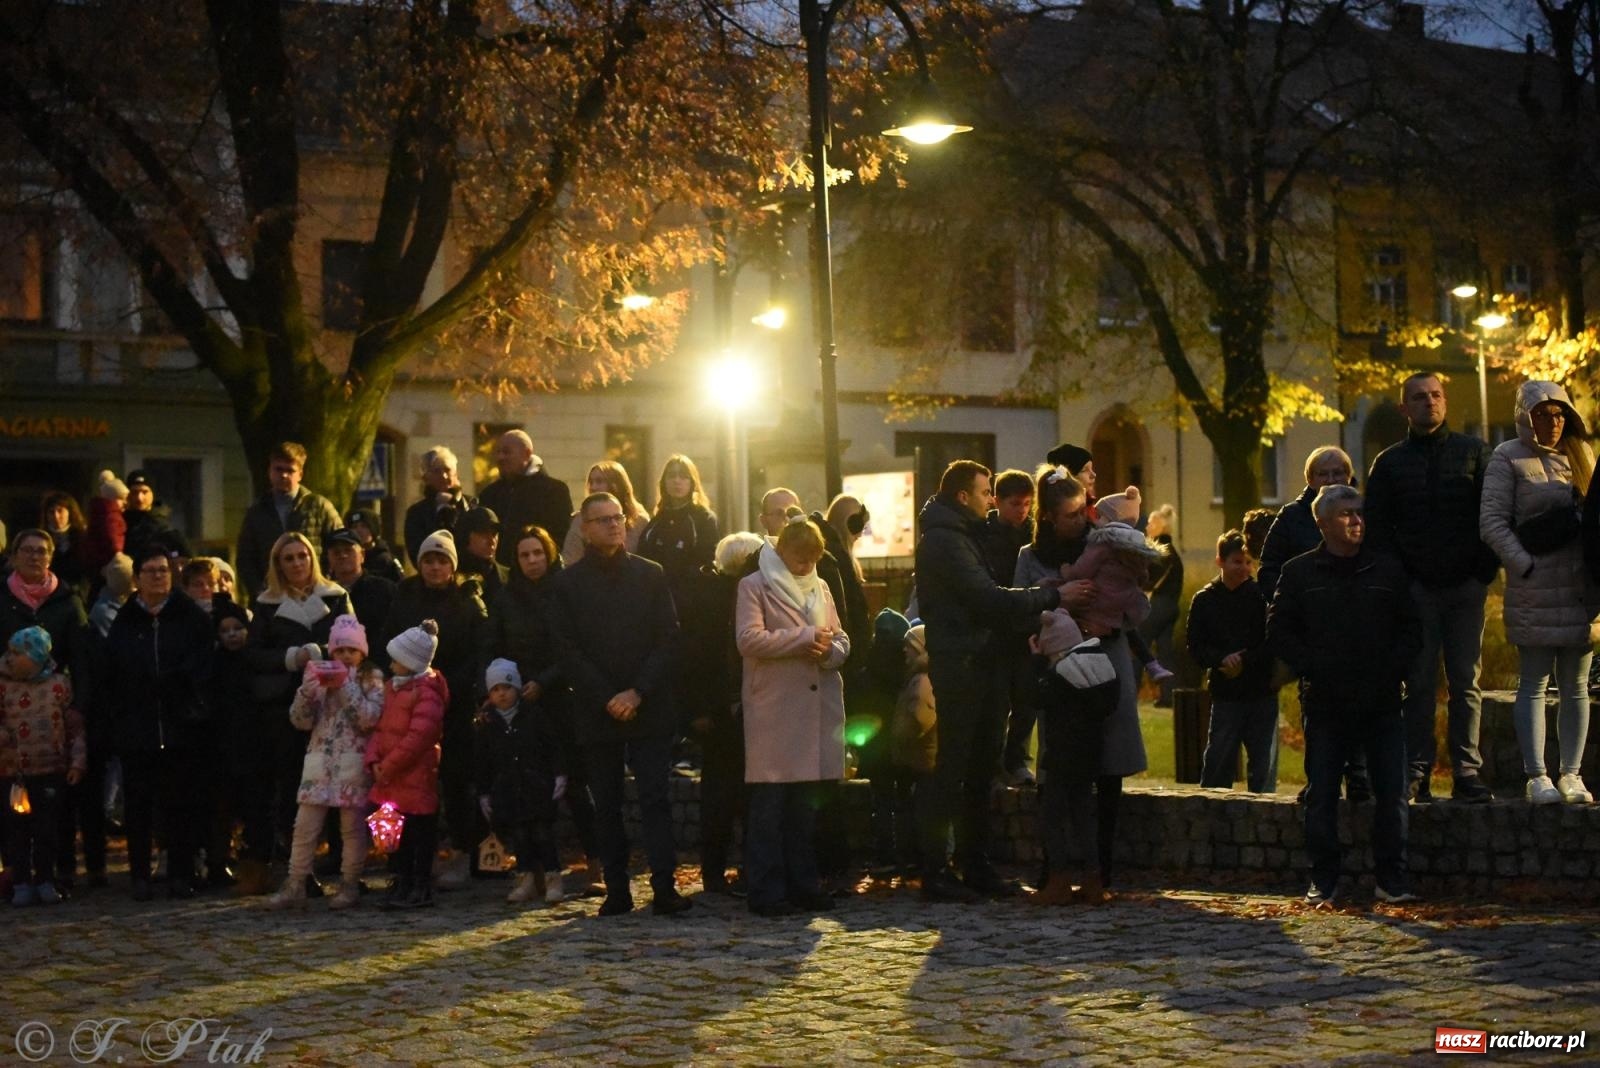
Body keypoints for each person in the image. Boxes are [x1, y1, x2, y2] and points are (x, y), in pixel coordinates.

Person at [914, 460, 1060, 902]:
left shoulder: (966, 534)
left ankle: (975, 864)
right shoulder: (945, 540)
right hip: (962, 663)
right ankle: (936, 869)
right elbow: (985, 597)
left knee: (981, 768)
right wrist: (1052, 595)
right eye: (984, 493)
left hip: (983, 660)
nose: (990, 500)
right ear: (963, 497)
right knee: (954, 767)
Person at [1269, 484, 1421, 906]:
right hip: (1327, 699)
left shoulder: (1386, 570)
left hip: (1382, 698)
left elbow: (1411, 627)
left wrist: (1393, 666)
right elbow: (1280, 630)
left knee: (1392, 791)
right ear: (1323, 523)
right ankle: (1324, 879)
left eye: (1359, 513)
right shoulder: (1300, 573)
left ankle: (1391, 877)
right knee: (1322, 793)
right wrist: (1315, 665)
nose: (1356, 521)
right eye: (1345, 514)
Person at [547, 492, 690, 918]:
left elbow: (668, 637)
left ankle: (664, 888)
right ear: (584, 528)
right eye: (602, 520)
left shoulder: (651, 574)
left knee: (655, 798)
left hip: (648, 703)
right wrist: (606, 696)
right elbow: (566, 648)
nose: (613, 525)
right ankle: (617, 889)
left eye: (618, 518)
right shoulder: (567, 584)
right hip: (596, 708)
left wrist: (637, 691)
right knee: (605, 802)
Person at [1364, 373, 1500, 804]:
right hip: (1415, 590)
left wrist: (1482, 570)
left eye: (1436, 395)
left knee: (1466, 681)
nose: (1430, 403)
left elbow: (1493, 516)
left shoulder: (1476, 453)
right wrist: (1400, 583)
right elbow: (1379, 532)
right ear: (1404, 407)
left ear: (1446, 401)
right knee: (1418, 682)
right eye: (1419, 397)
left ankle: (1466, 770)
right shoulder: (1388, 464)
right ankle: (1417, 769)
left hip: (1465, 586)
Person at [1015, 466, 1146, 893]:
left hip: (1106, 654)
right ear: (1049, 516)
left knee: (1109, 761)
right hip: (1060, 668)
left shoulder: (1101, 542)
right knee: (1061, 765)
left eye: (1082, 511)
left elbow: (1132, 589)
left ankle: (1100, 868)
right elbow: (1020, 609)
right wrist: (1058, 600)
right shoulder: (1030, 557)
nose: (1079, 520)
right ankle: (1057, 866)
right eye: (1069, 515)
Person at [1480, 381, 1596, 806]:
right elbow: (1492, 523)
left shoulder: (1582, 456)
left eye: (1559, 414)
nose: (1552, 422)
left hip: (1581, 588)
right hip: (1536, 587)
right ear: (1526, 417)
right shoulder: (1507, 457)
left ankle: (1572, 774)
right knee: (1534, 683)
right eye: (1542, 414)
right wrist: (1525, 565)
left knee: (1576, 685)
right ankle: (1536, 775)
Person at [735, 510, 851, 916]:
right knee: (770, 807)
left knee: (804, 808)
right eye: (800, 559)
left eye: (811, 559)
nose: (806, 566)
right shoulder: (754, 586)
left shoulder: (819, 585)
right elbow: (748, 639)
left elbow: (839, 636)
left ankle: (804, 884)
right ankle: (766, 889)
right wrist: (804, 638)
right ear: (782, 551)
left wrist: (830, 653)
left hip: (815, 704)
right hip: (775, 710)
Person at [487, 523, 602, 900]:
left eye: (538, 552)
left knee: (577, 785)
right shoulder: (507, 598)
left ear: (549, 553)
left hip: (563, 699)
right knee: (523, 788)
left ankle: (596, 864)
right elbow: (496, 645)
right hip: (520, 703)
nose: (533, 560)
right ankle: (532, 871)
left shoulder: (567, 588)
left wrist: (546, 681)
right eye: (525, 554)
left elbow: (574, 644)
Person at [239, 532, 354, 896]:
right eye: (288, 558)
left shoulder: (335, 596)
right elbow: (254, 654)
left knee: (342, 782)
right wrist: (293, 657)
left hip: (333, 705)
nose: (297, 563)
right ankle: (296, 869)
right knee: (292, 785)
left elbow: (353, 642)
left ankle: (342, 862)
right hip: (285, 709)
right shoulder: (267, 605)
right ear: (278, 564)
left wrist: (324, 654)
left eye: (302, 556)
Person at [375, 529, 488, 889]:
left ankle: (460, 851)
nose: (435, 567)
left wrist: (445, 686)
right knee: (404, 780)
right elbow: (388, 641)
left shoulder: (466, 603)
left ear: (452, 566)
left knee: (457, 780)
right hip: (405, 701)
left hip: (452, 701)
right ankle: (403, 856)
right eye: (429, 560)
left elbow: (475, 652)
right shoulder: (404, 595)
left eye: (442, 560)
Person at [1256, 447, 1369, 802]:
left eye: (1340, 472)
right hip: (1312, 627)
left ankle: (1359, 775)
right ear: (1310, 480)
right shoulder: (1292, 517)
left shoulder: (1363, 511)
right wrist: (1290, 602)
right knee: (1316, 705)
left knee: (1362, 701)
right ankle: (1322, 777)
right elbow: (1269, 568)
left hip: (1357, 625)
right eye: (1325, 473)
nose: (1333, 479)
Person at [104, 546, 214, 900]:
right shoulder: (125, 621)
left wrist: (178, 686)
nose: (157, 576)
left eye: (163, 570)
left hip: (181, 725)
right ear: (137, 579)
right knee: (137, 806)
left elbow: (202, 664)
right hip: (137, 728)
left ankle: (181, 872)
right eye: (149, 571)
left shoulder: (190, 617)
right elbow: (115, 672)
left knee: (180, 803)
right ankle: (139, 874)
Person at [1, 528, 96, 892]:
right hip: (10, 722)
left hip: (51, 718)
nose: (34, 557)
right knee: (11, 812)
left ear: (51, 556)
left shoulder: (68, 602)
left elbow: (83, 659)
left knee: (52, 812)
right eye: (27, 550)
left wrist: (79, 706)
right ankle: (17, 875)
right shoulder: (2, 600)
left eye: (41, 551)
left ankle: (54, 873)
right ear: (14, 556)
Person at [268, 614, 383, 910]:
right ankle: (296, 882)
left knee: (351, 828)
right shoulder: (318, 680)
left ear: (362, 652)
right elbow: (300, 721)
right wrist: (308, 690)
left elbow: (369, 719)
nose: (345, 656)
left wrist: (345, 686)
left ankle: (349, 883)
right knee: (304, 826)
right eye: (339, 651)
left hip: (352, 765)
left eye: (351, 650)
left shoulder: (371, 680)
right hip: (318, 763)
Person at [1028, 608, 1119, 907]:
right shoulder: (1102, 665)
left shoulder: (1058, 674)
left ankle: (1059, 880)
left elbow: (1037, 698)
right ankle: (1094, 881)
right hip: (1091, 753)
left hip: (1062, 754)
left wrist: (1036, 662)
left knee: (1052, 817)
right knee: (1083, 815)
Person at [696, 532, 766, 895]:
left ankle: (715, 870)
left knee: (719, 795)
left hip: (721, 707)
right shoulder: (745, 594)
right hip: (736, 705)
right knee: (740, 793)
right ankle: (744, 865)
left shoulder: (708, 595)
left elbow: (699, 656)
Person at [366, 619, 449, 909]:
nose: (390, 665)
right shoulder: (393, 688)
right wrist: (374, 759)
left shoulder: (426, 692)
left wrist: (389, 765)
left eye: (396, 660)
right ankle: (400, 878)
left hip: (414, 776)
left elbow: (419, 737)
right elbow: (380, 727)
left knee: (418, 832)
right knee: (393, 834)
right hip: (390, 778)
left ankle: (419, 882)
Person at [1, 626, 86, 906]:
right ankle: (22, 881)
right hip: (13, 771)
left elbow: (74, 727)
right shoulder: (3, 686)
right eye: (10, 652)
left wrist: (76, 761)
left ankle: (46, 878)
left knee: (47, 829)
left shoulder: (59, 685)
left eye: (18, 653)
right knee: (17, 831)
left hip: (50, 769)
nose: (11, 658)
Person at [1188, 529, 1278, 793]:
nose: (1244, 568)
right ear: (1221, 562)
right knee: (1218, 760)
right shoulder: (1205, 599)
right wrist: (1220, 661)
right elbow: (1196, 646)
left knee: (1263, 766)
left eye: (1248, 562)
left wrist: (1244, 660)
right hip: (1226, 693)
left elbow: (1271, 641)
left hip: (1261, 690)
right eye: (1237, 561)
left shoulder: (1261, 597)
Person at [476, 658, 560, 906]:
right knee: (520, 836)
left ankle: (553, 876)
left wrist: (558, 774)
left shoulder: (534, 716)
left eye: (507, 688)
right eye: (496, 690)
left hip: (536, 785)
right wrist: (483, 792)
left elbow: (552, 747)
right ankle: (525, 878)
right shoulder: (487, 724)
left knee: (543, 833)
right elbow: (483, 761)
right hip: (508, 789)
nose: (502, 694)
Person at [979, 469, 1041, 785]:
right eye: (1016, 504)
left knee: (1026, 699)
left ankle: (1015, 760)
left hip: (1025, 628)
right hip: (997, 629)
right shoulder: (984, 534)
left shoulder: (1033, 533)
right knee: (996, 700)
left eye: (1028, 504)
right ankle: (993, 763)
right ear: (998, 502)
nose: (1023, 510)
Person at [236, 443, 345, 601]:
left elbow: (339, 547)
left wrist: (324, 585)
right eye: (278, 469)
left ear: (300, 474)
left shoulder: (319, 506)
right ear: (270, 471)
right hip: (273, 598)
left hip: (315, 596)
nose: (284, 475)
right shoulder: (257, 511)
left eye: (290, 471)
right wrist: (261, 592)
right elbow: (245, 559)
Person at [478, 430, 573, 570]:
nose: (500, 457)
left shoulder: (554, 491)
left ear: (527, 453)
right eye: (498, 452)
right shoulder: (489, 494)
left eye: (506, 452)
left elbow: (561, 537)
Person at [561, 461, 649, 564]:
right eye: (591, 482)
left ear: (617, 484)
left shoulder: (640, 521)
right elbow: (570, 559)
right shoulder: (581, 520)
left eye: (599, 481)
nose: (593, 487)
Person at [1139, 503, 1183, 708]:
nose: (1147, 527)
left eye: (1149, 523)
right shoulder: (1172, 552)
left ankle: (1130, 690)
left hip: (1159, 605)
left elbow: (1149, 579)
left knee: (1138, 644)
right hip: (1171, 606)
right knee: (1165, 652)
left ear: (1158, 526)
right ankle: (1168, 695)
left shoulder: (1160, 550)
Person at [404, 446, 476, 566]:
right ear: (426, 478)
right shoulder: (417, 513)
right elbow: (416, 553)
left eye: (447, 470)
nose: (444, 476)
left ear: (456, 474)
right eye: (436, 471)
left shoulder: (472, 506)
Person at [324, 528, 397, 631]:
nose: (342, 555)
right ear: (329, 558)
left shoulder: (384, 590)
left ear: (362, 555)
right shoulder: (324, 596)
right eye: (336, 552)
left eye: (348, 550)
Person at [122, 469, 192, 568]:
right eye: (134, 492)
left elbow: (183, 554)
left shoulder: (165, 523)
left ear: (152, 493)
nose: (139, 498)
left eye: (145, 492)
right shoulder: (121, 522)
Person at [39, 490, 90, 596]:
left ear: (69, 512)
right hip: (49, 595)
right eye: (51, 512)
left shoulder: (83, 537)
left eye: (60, 511)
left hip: (78, 594)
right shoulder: (41, 539)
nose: (56, 516)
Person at [456, 507, 509, 603]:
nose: (492, 541)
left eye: (494, 534)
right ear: (466, 536)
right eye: (483, 533)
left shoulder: (511, 578)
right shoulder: (450, 578)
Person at [83, 471, 128, 577]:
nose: (125, 503)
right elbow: (113, 537)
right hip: (110, 562)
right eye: (121, 499)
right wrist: (118, 554)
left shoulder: (99, 514)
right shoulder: (112, 516)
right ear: (112, 500)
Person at [345, 508, 404, 584]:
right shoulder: (345, 558)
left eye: (364, 526)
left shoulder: (386, 561)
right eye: (354, 527)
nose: (359, 530)